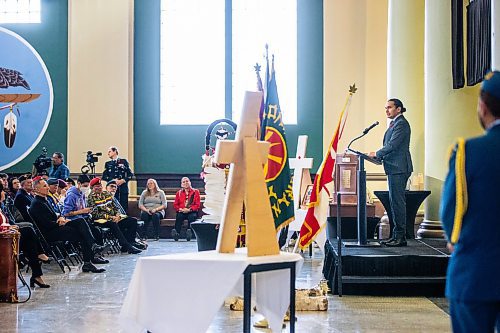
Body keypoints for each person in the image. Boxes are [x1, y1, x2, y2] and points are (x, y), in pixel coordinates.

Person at [440, 71, 500, 333]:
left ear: (483, 106)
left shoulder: (468, 151)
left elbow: (451, 208)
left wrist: (454, 240)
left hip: (475, 274)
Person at [29, 178, 108, 273]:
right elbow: (45, 224)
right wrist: (60, 222)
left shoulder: (45, 200)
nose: (47, 188)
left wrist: (61, 218)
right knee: (82, 233)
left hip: (57, 225)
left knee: (80, 221)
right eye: (44, 186)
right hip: (50, 232)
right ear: (37, 189)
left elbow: (56, 214)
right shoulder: (37, 203)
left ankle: (92, 248)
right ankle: (89, 258)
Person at [370, 98, 413, 247]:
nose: (387, 110)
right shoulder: (395, 124)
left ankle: (400, 237)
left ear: (399, 109)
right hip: (394, 167)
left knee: (398, 203)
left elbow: (393, 145)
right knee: (395, 203)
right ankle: (396, 236)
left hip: (399, 168)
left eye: (389, 107)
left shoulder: (401, 124)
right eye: (385, 108)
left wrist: (376, 153)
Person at [0, 181, 50, 288]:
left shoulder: (2, 205)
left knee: (30, 242)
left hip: (9, 235)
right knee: (28, 231)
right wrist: (10, 227)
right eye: (2, 191)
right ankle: (38, 263)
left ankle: (36, 274)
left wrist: (12, 226)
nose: (4, 193)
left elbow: (10, 220)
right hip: (4, 238)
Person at [86, 177, 142, 254]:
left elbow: (115, 207)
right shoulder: (90, 198)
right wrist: (111, 217)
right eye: (96, 186)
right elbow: (96, 214)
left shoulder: (106, 194)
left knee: (132, 221)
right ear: (92, 188)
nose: (99, 188)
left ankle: (131, 242)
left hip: (114, 217)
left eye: (100, 186)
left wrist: (117, 215)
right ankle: (126, 245)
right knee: (113, 224)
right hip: (100, 220)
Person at [106, 181, 146, 249]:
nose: (114, 188)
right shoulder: (105, 198)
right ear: (106, 188)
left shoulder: (115, 198)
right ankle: (128, 244)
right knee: (130, 221)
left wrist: (123, 216)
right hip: (112, 219)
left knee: (133, 221)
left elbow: (121, 211)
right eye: (111, 186)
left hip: (120, 218)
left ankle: (131, 242)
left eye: (115, 187)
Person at [102, 146, 133, 213]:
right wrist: (113, 180)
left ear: (115, 151)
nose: (108, 153)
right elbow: (104, 176)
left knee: (124, 207)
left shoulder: (123, 161)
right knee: (113, 206)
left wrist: (123, 180)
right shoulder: (108, 164)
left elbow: (130, 174)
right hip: (112, 190)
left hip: (123, 188)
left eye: (109, 151)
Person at [173, 177, 200, 241]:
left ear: (190, 182)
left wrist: (189, 209)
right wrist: (180, 209)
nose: (185, 183)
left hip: (191, 211)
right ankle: (176, 233)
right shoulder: (178, 193)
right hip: (182, 211)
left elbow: (197, 205)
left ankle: (189, 233)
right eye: (183, 182)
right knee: (179, 216)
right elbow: (175, 205)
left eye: (187, 181)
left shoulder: (196, 192)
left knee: (192, 217)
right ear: (181, 184)